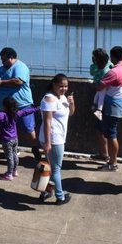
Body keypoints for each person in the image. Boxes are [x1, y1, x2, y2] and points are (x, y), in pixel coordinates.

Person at [0, 47, 41, 163]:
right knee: (9, 130)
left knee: (28, 128)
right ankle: (13, 151)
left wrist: (1, 82)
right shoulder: (2, 68)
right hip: (5, 108)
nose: (2, 62)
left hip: (22, 105)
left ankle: (35, 149)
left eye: (4, 59)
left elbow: (18, 82)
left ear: (11, 58)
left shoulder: (20, 67)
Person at [38, 74, 75, 205]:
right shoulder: (49, 99)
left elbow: (70, 113)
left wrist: (71, 103)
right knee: (56, 169)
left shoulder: (62, 97)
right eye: (61, 86)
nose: (64, 89)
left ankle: (47, 191)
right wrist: (48, 143)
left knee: (51, 167)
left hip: (57, 137)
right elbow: (47, 122)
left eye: (66, 86)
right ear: (54, 84)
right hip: (53, 139)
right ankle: (60, 196)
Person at [96, 46, 122, 172]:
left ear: (113, 57)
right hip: (120, 104)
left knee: (111, 135)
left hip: (111, 106)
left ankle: (113, 162)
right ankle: (111, 161)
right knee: (111, 133)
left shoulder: (114, 72)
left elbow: (99, 86)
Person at [0, 97, 39, 181]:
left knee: (9, 157)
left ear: (5, 106)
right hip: (15, 138)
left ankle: (9, 174)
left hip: (7, 140)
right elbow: (26, 111)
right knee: (15, 155)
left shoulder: (4, 115)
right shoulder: (17, 113)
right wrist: (36, 108)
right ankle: (15, 171)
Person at [90, 48, 113, 162]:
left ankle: (106, 154)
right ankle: (103, 153)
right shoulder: (109, 66)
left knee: (102, 130)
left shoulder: (105, 71)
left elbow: (99, 86)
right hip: (101, 101)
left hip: (102, 104)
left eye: (94, 57)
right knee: (100, 130)